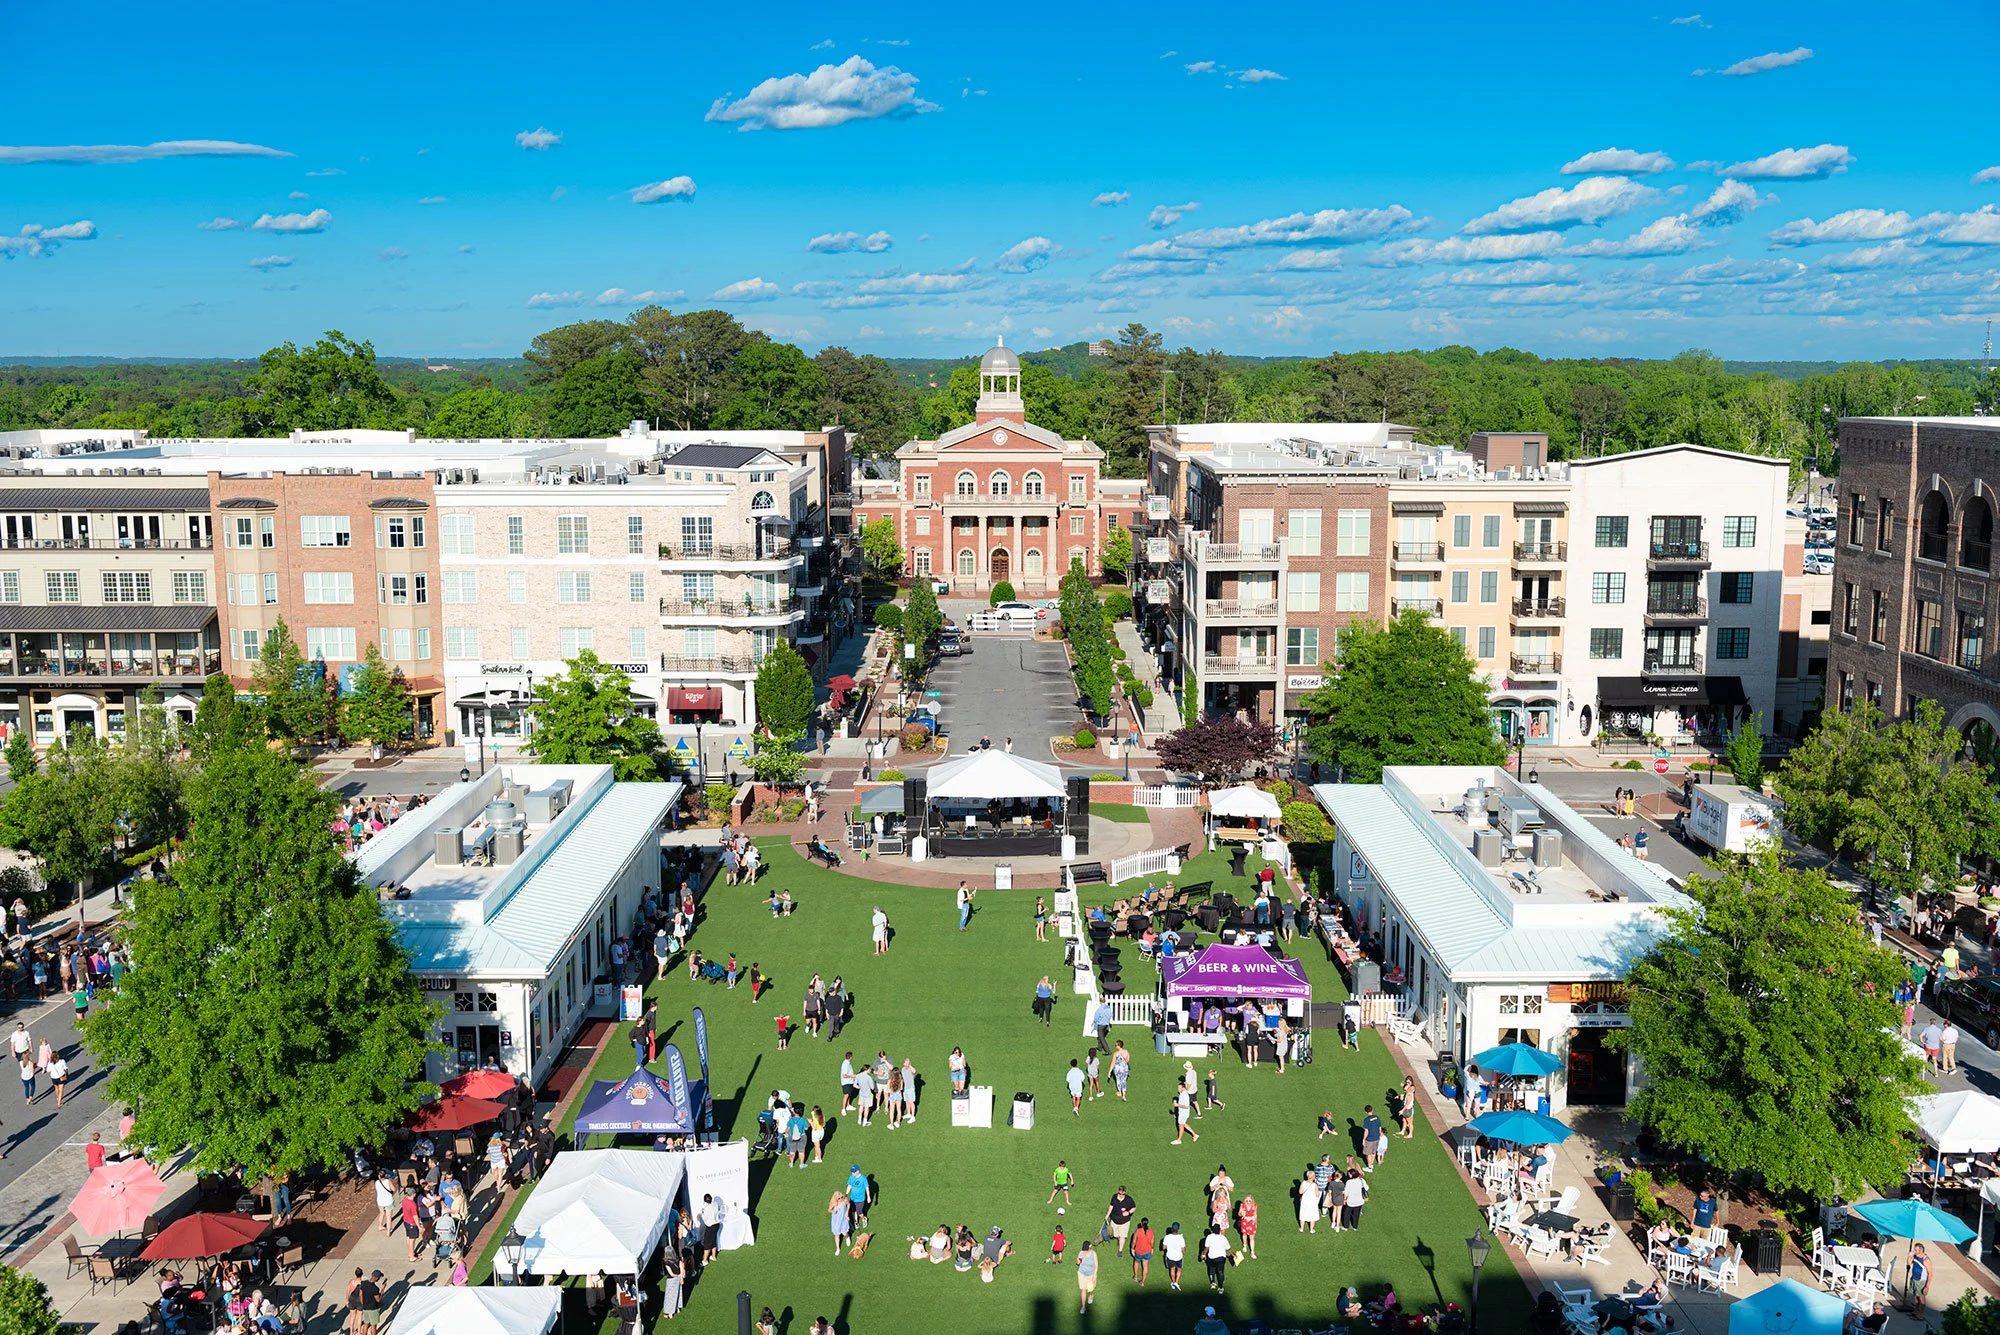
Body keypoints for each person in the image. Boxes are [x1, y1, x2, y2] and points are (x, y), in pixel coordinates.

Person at [1105, 1186, 1138, 1254]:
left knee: (1122, 1236)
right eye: (1120, 1194)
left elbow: (1134, 1208)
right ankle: (1118, 1239)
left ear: (1125, 1193)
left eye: (1123, 1194)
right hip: (1114, 1221)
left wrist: (1128, 1212)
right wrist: (1107, 1216)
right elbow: (1111, 1207)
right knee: (1114, 1234)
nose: (1121, 1195)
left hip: (1124, 1222)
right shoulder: (1114, 1197)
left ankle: (1120, 1251)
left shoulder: (1129, 1199)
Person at [1201, 1224, 1230, 1292]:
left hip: (1212, 1258)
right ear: (1219, 1230)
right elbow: (1229, 1249)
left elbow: (1206, 1248)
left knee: (1212, 1269)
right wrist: (1234, 1255)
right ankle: (1221, 1288)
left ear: (1212, 1230)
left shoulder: (1209, 1237)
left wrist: (1203, 1255)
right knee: (1220, 1272)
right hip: (1221, 1258)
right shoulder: (1223, 1238)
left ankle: (1212, 1283)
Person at [1075, 1240, 1099, 1313]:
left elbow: (1096, 1265)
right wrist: (1077, 1261)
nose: (1085, 1251)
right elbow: (1078, 1262)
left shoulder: (1093, 1254)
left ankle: (1091, 1295)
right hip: (1082, 1274)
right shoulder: (1081, 1253)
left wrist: (1094, 1275)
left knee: (1090, 1289)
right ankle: (1083, 1307)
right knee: (1083, 1290)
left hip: (1091, 1274)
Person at [1163, 1221, 1187, 1291]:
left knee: (1172, 1269)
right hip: (1179, 1257)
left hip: (1170, 1256)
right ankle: (1176, 1282)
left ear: (1171, 1229)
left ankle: (1173, 1282)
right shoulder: (1181, 1238)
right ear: (1178, 1229)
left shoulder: (1167, 1237)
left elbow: (1164, 1247)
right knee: (1179, 1270)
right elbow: (1183, 1251)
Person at [1131, 1217, 1155, 1285]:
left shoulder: (1138, 1231)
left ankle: (1135, 1277)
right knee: (1145, 1266)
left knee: (1136, 1262)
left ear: (1141, 1223)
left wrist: (1132, 1248)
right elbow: (1152, 1242)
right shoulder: (1151, 1232)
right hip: (1147, 1251)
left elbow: (1133, 1242)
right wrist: (1152, 1248)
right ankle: (1143, 1282)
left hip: (1138, 1251)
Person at [846, 1163, 871, 1229]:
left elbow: (866, 1187)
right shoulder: (851, 1177)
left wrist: (868, 1196)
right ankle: (856, 1222)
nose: (852, 1173)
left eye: (853, 1172)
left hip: (860, 1199)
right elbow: (849, 1186)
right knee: (853, 1211)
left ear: (858, 1171)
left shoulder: (863, 1178)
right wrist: (846, 1194)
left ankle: (863, 1218)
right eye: (852, 1171)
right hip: (852, 1198)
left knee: (859, 1212)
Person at [1908, 1243, 1930, 1313]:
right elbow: (1909, 1263)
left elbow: (1930, 1274)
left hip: (1921, 1281)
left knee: (1921, 1298)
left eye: (1916, 1250)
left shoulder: (1926, 1260)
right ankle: (1915, 1311)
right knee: (1915, 1296)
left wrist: (1927, 1286)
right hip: (1914, 1278)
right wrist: (1909, 1256)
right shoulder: (1915, 1256)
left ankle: (1920, 1314)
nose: (1914, 1251)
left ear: (1921, 1250)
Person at [828, 1190, 852, 1256]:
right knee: (837, 1235)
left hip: (843, 1219)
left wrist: (847, 1212)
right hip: (836, 1221)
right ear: (835, 1198)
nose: (841, 1198)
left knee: (844, 1233)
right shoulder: (833, 1203)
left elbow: (848, 1204)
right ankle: (838, 1248)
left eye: (841, 1197)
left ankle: (847, 1237)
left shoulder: (844, 1200)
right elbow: (829, 1210)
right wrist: (833, 1211)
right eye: (839, 1198)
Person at [1236, 1194, 1258, 1260]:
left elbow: (1255, 1215)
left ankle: (1252, 1252)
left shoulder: (1254, 1206)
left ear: (1252, 1201)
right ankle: (1245, 1245)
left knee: (1252, 1237)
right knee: (1244, 1234)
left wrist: (1256, 1223)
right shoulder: (1242, 1205)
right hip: (1245, 1222)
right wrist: (1241, 1213)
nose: (1248, 1202)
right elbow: (1239, 1214)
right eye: (1247, 1200)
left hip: (1251, 1222)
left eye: (1250, 1200)